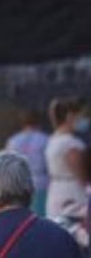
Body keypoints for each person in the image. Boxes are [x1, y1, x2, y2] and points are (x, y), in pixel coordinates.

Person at [43, 97, 88, 245]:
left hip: (55, 191)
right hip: (73, 192)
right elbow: (81, 175)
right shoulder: (72, 144)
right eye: (80, 116)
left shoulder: (52, 139)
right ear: (70, 116)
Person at [6, 110, 50, 215]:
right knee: (40, 219)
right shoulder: (45, 139)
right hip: (41, 184)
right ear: (39, 122)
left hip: (18, 185)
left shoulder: (13, 141)